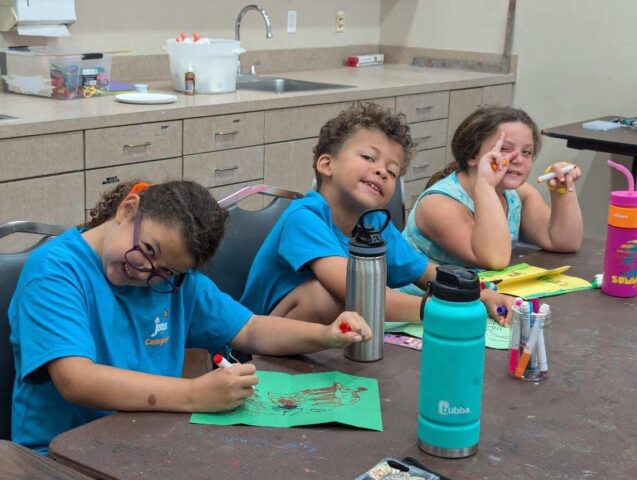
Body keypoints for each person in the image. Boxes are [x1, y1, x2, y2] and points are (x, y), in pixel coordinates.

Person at [9, 180, 371, 454]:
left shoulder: (176, 282)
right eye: (147, 251)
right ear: (127, 210)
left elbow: (251, 328)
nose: (146, 274)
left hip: (148, 436)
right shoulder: (55, 272)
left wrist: (324, 335)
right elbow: (77, 380)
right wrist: (196, 394)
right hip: (62, 456)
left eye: (166, 272)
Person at [240, 102, 511, 327]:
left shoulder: (373, 225)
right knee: (328, 298)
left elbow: (426, 273)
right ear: (327, 164)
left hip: (328, 342)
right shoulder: (304, 218)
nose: (382, 171)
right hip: (258, 347)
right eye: (369, 158)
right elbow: (354, 292)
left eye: (392, 171)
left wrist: (477, 296)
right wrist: (437, 311)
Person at [402, 106, 583, 273]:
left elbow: (563, 241)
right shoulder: (439, 205)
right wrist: (486, 185)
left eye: (526, 152)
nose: (518, 159)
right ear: (473, 155)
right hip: (424, 302)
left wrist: (562, 189)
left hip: (482, 298)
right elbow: (494, 259)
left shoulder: (518, 195)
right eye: (505, 149)